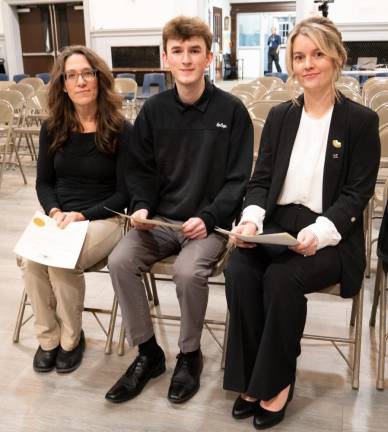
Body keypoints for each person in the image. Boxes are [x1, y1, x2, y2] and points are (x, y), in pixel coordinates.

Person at [223, 16, 380, 430]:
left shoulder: (360, 122)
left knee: (280, 279)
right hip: (278, 224)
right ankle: (251, 377)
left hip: (331, 233)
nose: (307, 64)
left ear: (337, 59)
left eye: (317, 55)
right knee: (239, 268)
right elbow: (260, 182)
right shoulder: (280, 117)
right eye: (299, 57)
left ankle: (277, 381)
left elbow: (356, 195)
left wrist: (317, 234)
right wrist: (253, 220)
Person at [106, 15, 253, 405]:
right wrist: (139, 206)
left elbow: (239, 179)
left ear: (208, 58)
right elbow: (140, 170)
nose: (186, 59)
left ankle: (189, 355)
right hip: (160, 222)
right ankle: (148, 353)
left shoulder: (232, 110)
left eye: (194, 51)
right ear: (165, 58)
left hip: (209, 226)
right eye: (178, 51)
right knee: (120, 261)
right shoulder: (153, 112)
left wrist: (208, 218)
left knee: (188, 273)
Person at [23, 45, 132, 374]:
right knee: (31, 261)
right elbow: (44, 183)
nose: (80, 81)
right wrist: (55, 212)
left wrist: (82, 215)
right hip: (60, 219)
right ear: (63, 85)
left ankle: (72, 340)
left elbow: (124, 193)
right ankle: (48, 340)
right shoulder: (52, 127)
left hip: (104, 217)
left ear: (98, 79)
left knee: (59, 262)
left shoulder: (119, 128)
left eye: (87, 73)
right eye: (72, 75)